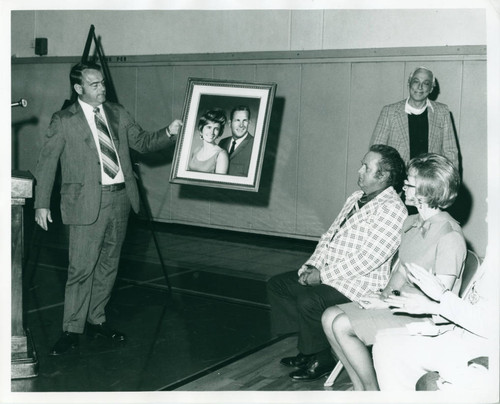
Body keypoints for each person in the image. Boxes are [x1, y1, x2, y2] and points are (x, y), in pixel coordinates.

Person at [34, 62, 182, 356]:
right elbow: (47, 163)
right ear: (79, 88)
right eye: (94, 84)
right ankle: (71, 329)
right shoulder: (64, 119)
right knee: (81, 269)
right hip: (86, 202)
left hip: (120, 199)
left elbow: (142, 142)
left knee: (108, 266)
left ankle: (96, 319)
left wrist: (170, 131)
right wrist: (40, 203)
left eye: (102, 83)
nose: (102, 88)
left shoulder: (117, 112)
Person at [321, 153, 466, 391]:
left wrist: (389, 304)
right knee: (329, 317)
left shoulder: (449, 235)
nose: (403, 187)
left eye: (409, 184)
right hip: (400, 305)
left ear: (425, 192)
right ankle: (360, 389)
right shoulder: (411, 223)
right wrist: (384, 297)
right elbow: (400, 271)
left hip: (423, 316)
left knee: (341, 325)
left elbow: (439, 300)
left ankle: (372, 391)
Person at [267, 144, 408, 382]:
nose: (359, 170)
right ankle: (309, 348)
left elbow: (368, 260)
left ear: (383, 176)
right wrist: (311, 266)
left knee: (309, 300)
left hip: (360, 283)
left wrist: (322, 277)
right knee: (278, 285)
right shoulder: (356, 198)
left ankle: (322, 358)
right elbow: (328, 237)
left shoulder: (394, 210)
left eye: (366, 167)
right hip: (332, 273)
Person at [372, 256, 497, 392]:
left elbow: (491, 327)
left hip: (486, 352)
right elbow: (478, 308)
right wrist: (431, 306)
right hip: (467, 335)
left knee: (431, 383)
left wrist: (441, 297)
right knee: (385, 343)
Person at [370, 67, 459, 169]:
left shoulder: (442, 112)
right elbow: (376, 151)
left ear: (431, 88)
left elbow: (451, 153)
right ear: (409, 83)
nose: (420, 87)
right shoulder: (389, 112)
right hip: (398, 179)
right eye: (416, 81)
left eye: (426, 83)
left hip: (429, 180)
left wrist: (452, 182)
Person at [188, 109, 229, 174]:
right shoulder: (197, 150)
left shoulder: (221, 155)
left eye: (216, 129)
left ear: (219, 132)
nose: (212, 132)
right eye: (209, 127)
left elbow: (219, 183)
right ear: (202, 128)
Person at [218, 105, 254, 176]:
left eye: (245, 120)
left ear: (249, 122)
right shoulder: (222, 143)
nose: (241, 125)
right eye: (237, 120)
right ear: (230, 123)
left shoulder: (255, 145)